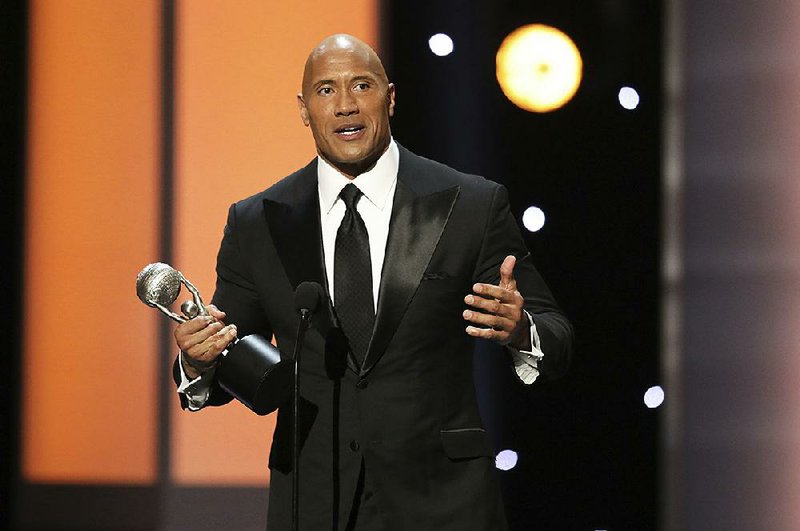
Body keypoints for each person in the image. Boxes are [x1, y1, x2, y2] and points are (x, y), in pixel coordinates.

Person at [173, 34, 573, 531]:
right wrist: (198, 359)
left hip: (441, 501)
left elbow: (556, 336)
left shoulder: (469, 205)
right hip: (312, 501)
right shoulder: (257, 221)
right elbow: (235, 351)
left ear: (390, 97)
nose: (345, 106)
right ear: (303, 109)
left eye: (361, 86)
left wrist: (520, 329)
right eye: (325, 90)